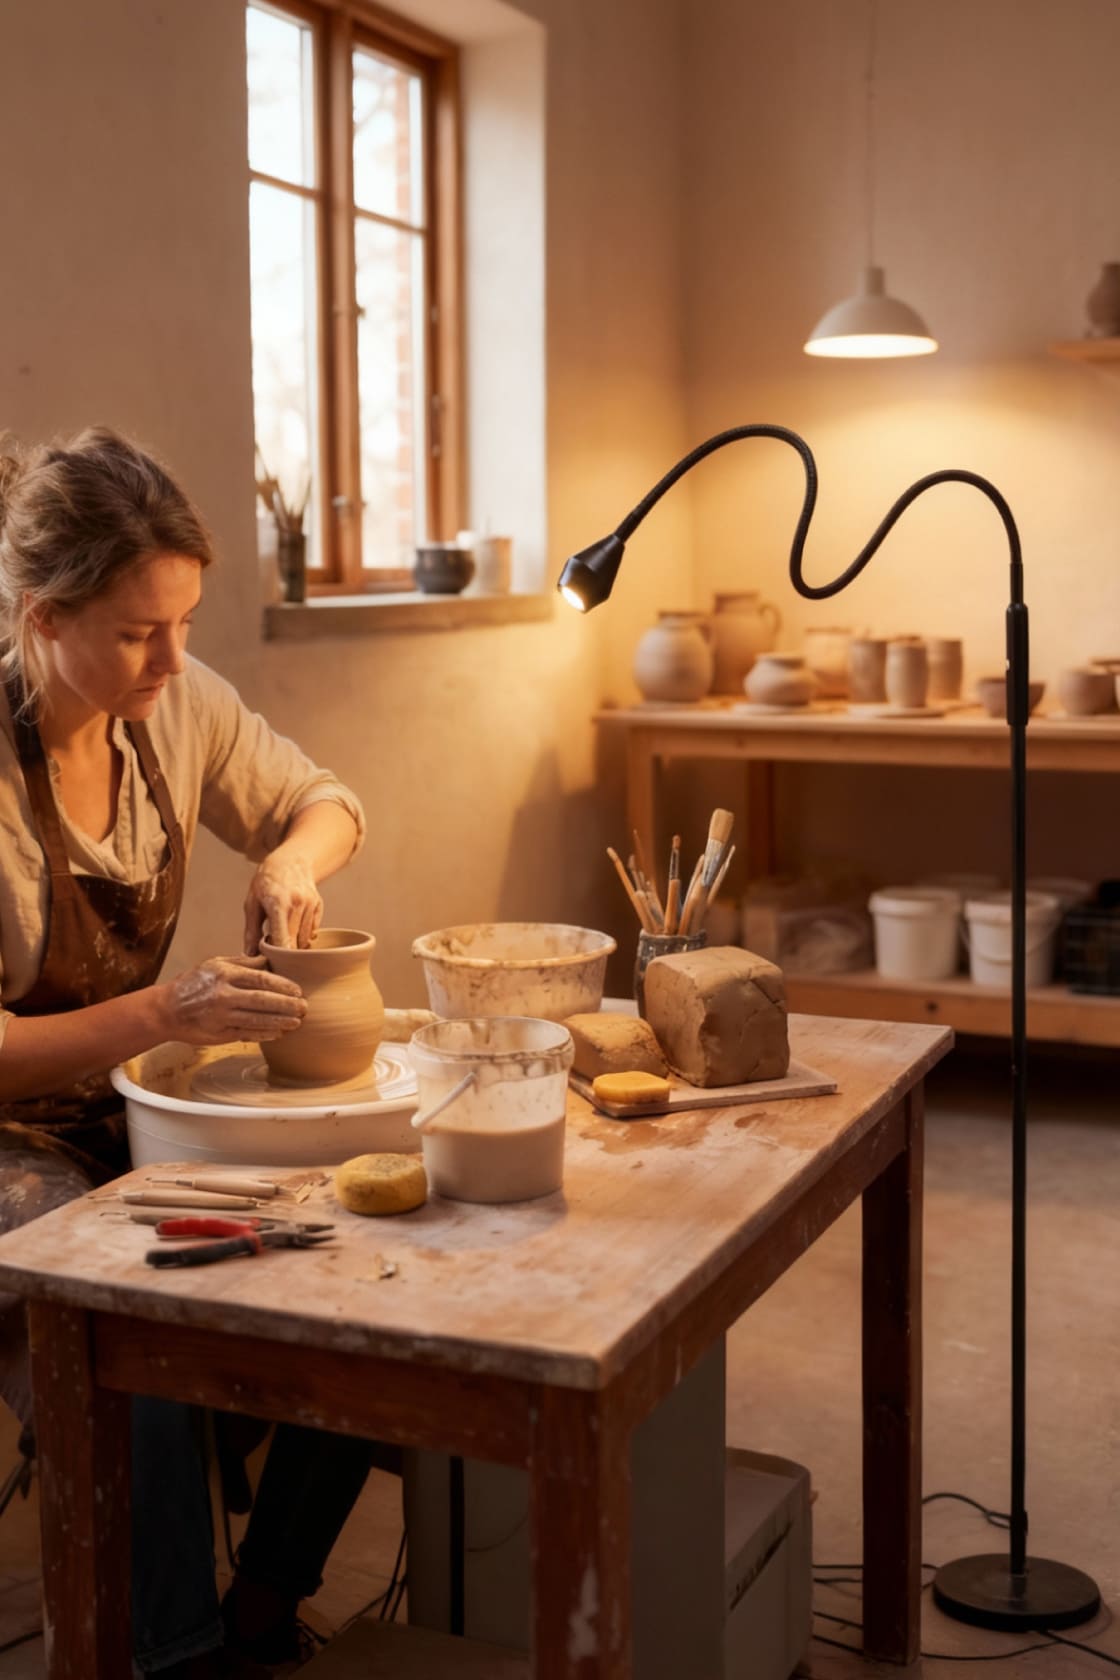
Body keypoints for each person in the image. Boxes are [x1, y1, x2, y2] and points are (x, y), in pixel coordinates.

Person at [0, 428, 377, 1677]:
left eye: (184, 622)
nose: (172, 658)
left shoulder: (176, 702)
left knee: (357, 1261)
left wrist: (288, 859)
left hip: (123, 1098)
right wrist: (166, 1017)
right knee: (134, 1321)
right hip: (10, 1131)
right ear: (44, 614)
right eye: (135, 631)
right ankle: (162, 1652)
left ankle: (262, 1599)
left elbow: (325, 799)